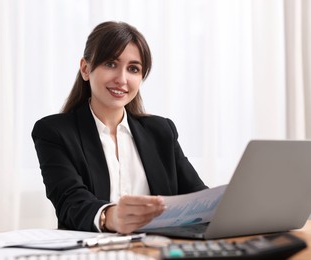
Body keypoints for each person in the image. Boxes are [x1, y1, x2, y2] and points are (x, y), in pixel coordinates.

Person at [32, 21, 207, 234]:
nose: (122, 79)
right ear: (86, 69)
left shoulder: (161, 131)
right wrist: (111, 216)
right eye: (110, 64)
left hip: (156, 251)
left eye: (133, 69)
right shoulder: (54, 132)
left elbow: (199, 198)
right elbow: (70, 202)